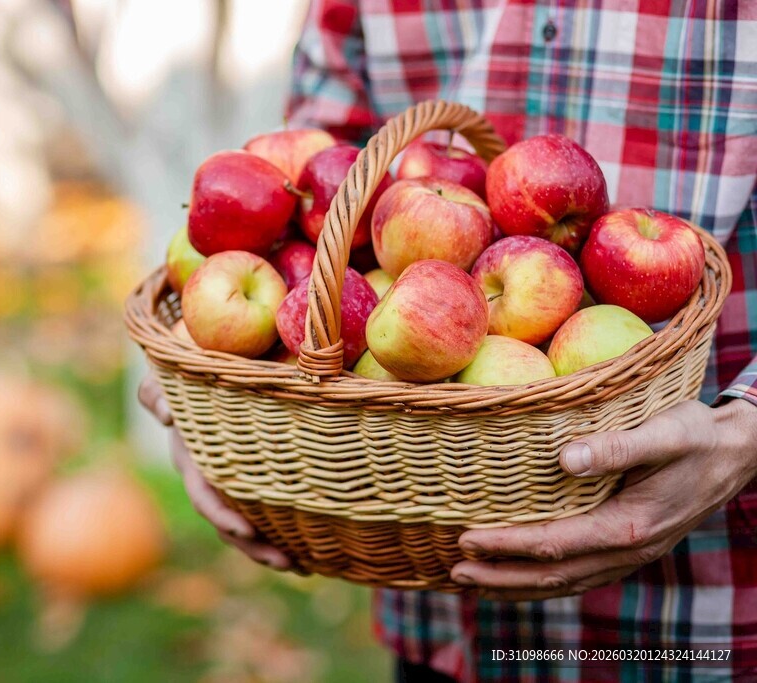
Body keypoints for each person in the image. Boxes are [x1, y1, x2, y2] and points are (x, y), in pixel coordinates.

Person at [139, 0, 757, 679]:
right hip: (435, 597)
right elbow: (314, 173)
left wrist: (747, 430)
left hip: (700, 602)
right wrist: (214, 397)